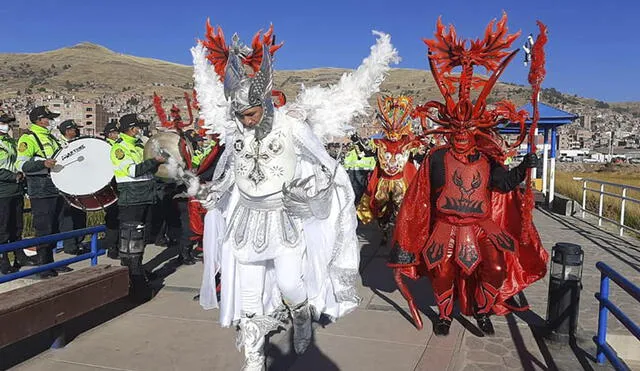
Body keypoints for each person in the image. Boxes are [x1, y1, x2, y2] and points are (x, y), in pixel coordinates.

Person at [191, 23, 398, 370]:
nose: (246, 121)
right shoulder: (238, 131)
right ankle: (254, 358)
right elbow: (231, 172)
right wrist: (216, 192)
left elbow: (329, 167)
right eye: (240, 116)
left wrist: (312, 193)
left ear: (264, 104)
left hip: (283, 218)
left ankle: (301, 316)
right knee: (248, 292)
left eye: (251, 114)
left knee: (289, 282)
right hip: (245, 221)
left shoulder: (292, 127)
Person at [388, 14, 549, 335]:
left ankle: (482, 310)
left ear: (477, 130)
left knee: (497, 268)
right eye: (457, 128)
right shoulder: (436, 158)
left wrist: (524, 167)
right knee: (442, 274)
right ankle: (445, 316)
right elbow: (419, 201)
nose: (462, 132)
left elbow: (502, 185)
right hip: (445, 227)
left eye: (468, 128)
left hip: (482, 226)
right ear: (449, 128)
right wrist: (408, 240)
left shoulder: (488, 158)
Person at [110, 113, 165, 296]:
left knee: (141, 239)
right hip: (132, 199)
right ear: (131, 128)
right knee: (130, 240)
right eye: (138, 127)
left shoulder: (140, 144)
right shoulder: (120, 148)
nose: (140, 130)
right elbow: (133, 170)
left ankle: (138, 269)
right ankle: (131, 277)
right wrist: (153, 162)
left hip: (145, 197)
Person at [356, 95, 421, 241]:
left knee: (402, 207)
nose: (393, 136)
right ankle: (384, 230)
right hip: (384, 181)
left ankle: (400, 231)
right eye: (390, 132)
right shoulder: (379, 142)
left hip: (400, 182)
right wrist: (358, 142)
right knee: (380, 206)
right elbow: (368, 150)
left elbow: (418, 153)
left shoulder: (407, 143)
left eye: (396, 132)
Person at [15, 106, 68, 278]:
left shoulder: (51, 137)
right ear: (39, 120)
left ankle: (51, 262)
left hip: (55, 187)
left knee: (55, 227)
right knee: (44, 228)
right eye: (48, 118)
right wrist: (43, 164)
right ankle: (44, 266)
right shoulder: (28, 138)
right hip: (40, 189)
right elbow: (21, 164)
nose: (50, 121)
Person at [0, 108, 26, 274]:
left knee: (17, 227)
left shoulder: (9, 141)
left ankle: (19, 255)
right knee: (3, 229)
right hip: (3, 191)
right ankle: (3, 261)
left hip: (16, 190)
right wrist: (14, 177)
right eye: (3, 123)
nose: (6, 126)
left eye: (7, 123)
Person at [57, 119, 88, 255]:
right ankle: (70, 246)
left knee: (80, 215)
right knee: (68, 219)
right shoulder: (59, 145)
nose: (75, 132)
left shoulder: (79, 143)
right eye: (73, 129)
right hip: (65, 185)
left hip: (80, 185)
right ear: (66, 131)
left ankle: (79, 242)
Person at [102, 120, 120, 258]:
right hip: (109, 185)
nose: (116, 135)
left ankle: (117, 245)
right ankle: (112, 247)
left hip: (118, 183)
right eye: (114, 133)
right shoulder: (104, 146)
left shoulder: (119, 145)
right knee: (112, 217)